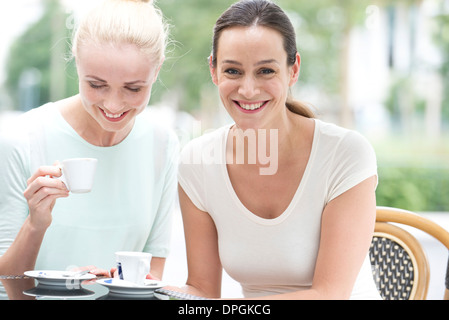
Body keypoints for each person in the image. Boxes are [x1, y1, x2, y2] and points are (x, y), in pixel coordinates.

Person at [176, 0, 381, 299]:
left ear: (293, 70)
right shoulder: (197, 162)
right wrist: (141, 291)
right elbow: (202, 291)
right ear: (214, 70)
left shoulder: (345, 154)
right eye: (233, 71)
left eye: (265, 71)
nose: (247, 90)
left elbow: (329, 294)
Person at [0, 0, 177, 293]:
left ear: (156, 71)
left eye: (134, 88)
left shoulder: (162, 144)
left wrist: (117, 288)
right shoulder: (22, 139)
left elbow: (152, 277)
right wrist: (35, 224)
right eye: (96, 84)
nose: (113, 105)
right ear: (76, 62)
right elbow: (7, 286)